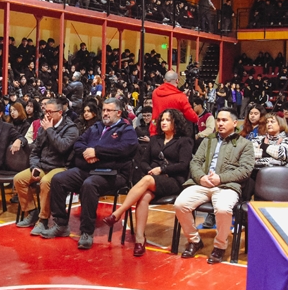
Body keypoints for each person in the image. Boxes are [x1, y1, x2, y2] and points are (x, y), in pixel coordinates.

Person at [40, 98, 138, 250]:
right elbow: (78, 143)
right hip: (89, 169)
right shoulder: (96, 127)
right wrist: (88, 154)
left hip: (114, 174)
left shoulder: (127, 130)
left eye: (109, 110)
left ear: (118, 113)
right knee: (58, 179)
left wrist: (98, 152)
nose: (105, 113)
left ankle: (86, 232)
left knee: (89, 184)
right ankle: (60, 224)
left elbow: (125, 149)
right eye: (104, 110)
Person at [104, 109, 193, 256]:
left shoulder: (184, 141)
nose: (163, 122)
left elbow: (183, 165)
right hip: (152, 178)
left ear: (176, 122)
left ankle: (119, 212)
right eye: (162, 120)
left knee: (146, 180)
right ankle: (140, 240)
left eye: (168, 120)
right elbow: (143, 161)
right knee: (144, 196)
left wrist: (162, 169)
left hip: (173, 180)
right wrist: (151, 170)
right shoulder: (155, 139)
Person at [176, 108, 255, 264]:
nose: (220, 123)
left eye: (224, 120)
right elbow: (195, 162)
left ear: (234, 122)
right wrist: (201, 177)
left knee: (224, 210)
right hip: (203, 183)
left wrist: (221, 178)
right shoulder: (208, 140)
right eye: (218, 120)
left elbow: (245, 170)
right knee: (180, 204)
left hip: (227, 186)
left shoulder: (245, 144)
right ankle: (194, 241)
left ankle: (220, 246)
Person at [14, 98, 79, 235]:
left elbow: (62, 147)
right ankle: (32, 212)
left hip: (61, 167)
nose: (47, 114)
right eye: (45, 111)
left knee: (46, 182)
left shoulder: (71, 128)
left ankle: (43, 220)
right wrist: (34, 167)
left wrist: (49, 129)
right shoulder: (45, 127)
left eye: (50, 112)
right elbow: (35, 151)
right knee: (19, 179)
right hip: (42, 166)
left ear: (60, 112)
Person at [150, 70, 197, 135]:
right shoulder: (180, 97)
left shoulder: (155, 93)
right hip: (172, 133)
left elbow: (168, 97)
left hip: (155, 129)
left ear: (164, 80)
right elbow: (193, 117)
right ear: (177, 81)